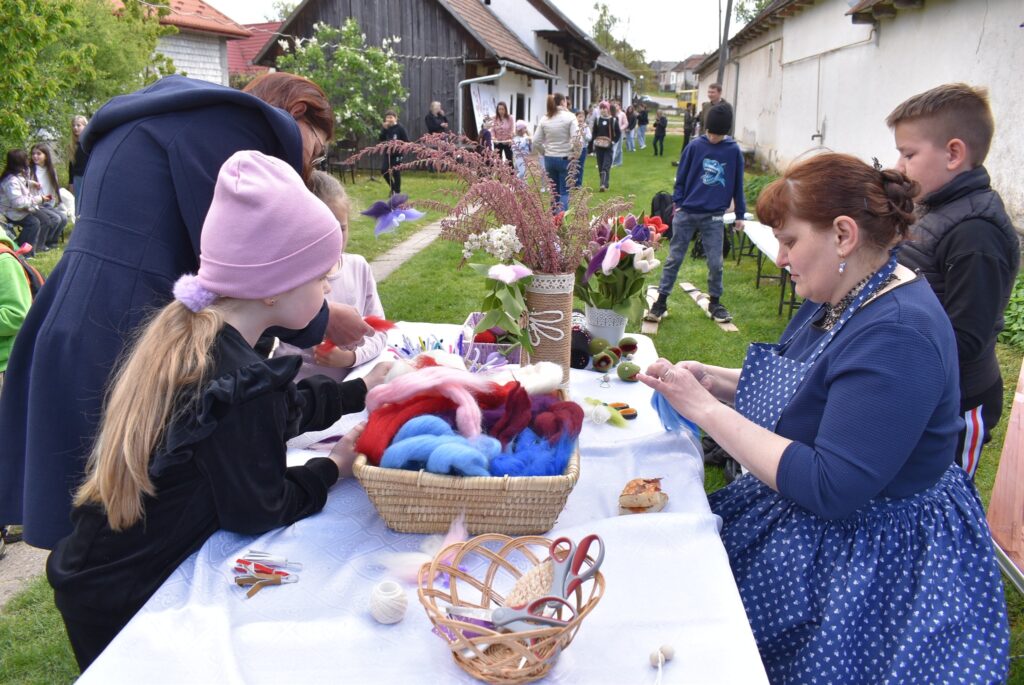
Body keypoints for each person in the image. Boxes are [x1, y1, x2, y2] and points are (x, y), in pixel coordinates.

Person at [638, 152, 1010, 684]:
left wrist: (705, 410)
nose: (782, 257)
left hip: (875, 551)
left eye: (790, 241)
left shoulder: (898, 334)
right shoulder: (851, 286)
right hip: (826, 518)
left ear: (843, 234)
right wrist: (716, 379)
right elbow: (822, 387)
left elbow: (831, 484)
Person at [45, 150, 391, 671]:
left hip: (95, 571)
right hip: (130, 601)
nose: (328, 288)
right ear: (274, 286)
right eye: (322, 275)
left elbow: (275, 413)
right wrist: (336, 466)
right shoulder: (239, 377)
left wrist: (357, 392)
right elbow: (262, 509)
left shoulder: (202, 337)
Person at [0, 73, 374, 551]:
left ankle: (103, 585)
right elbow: (244, 268)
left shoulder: (176, 117)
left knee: (102, 516)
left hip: (83, 306)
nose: (308, 166)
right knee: (127, 520)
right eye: (315, 150)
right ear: (295, 114)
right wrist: (322, 317)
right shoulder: (232, 135)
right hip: (121, 320)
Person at [888, 83, 1020, 478]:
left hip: (960, 401)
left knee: (946, 500)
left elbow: (966, 338)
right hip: (921, 385)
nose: (898, 165)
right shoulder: (935, 207)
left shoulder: (976, 233)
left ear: (953, 154)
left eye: (908, 154)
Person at [274, 171, 387, 381]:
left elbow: (379, 331)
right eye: (323, 230)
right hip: (298, 392)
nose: (334, 239)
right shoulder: (290, 277)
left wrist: (351, 357)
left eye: (341, 229)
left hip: (348, 391)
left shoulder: (358, 267)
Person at [647, 104, 744, 324]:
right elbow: (680, 178)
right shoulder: (694, 146)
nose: (713, 137)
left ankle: (715, 303)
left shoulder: (733, 150)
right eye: (710, 132)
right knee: (674, 258)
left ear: (726, 132)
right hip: (687, 212)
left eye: (717, 135)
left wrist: (740, 213)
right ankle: (660, 302)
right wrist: (679, 204)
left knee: (715, 262)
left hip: (714, 216)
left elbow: (738, 184)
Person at [0, 150, 60, 257]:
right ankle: (21, 250)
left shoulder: (17, 173)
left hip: (22, 209)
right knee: (34, 223)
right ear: (20, 161)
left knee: (44, 219)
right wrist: (40, 198)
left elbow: (22, 182)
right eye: (26, 158)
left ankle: (33, 248)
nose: (29, 160)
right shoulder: (10, 180)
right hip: (10, 212)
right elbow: (18, 203)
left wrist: (31, 184)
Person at [532, 93, 579, 213]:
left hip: (549, 158)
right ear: (563, 102)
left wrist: (544, 152)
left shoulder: (545, 118)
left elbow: (536, 141)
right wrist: (574, 153)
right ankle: (561, 220)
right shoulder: (570, 117)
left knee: (554, 191)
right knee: (564, 191)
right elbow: (577, 140)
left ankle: (553, 220)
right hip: (565, 158)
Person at [29, 143, 69, 246]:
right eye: (33, 154)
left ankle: (52, 241)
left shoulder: (51, 170)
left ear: (46, 156)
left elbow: (53, 190)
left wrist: (55, 202)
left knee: (63, 218)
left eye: (39, 154)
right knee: (56, 219)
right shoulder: (29, 170)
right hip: (35, 203)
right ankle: (44, 242)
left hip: (47, 203)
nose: (35, 156)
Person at [590, 101, 620, 192]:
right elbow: (594, 132)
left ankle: (603, 184)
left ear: (608, 109)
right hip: (599, 147)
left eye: (604, 108)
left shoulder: (613, 120)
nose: (603, 110)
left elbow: (618, 133)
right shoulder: (598, 120)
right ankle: (604, 184)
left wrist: (613, 142)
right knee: (600, 165)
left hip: (608, 147)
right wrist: (595, 140)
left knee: (605, 166)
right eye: (601, 108)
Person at [378, 110, 409, 195]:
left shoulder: (400, 128)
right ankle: (393, 188)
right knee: (384, 171)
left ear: (395, 118)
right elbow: (381, 139)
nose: (389, 119)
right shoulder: (386, 128)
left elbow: (406, 141)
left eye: (391, 117)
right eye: (387, 117)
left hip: (397, 154)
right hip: (387, 154)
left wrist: (400, 148)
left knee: (396, 172)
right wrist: (384, 129)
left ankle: (397, 192)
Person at [68, 115, 89, 200]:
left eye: (78, 125)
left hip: (89, 177)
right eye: (73, 125)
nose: (75, 128)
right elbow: (71, 166)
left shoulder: (90, 143)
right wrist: (71, 183)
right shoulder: (72, 146)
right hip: (77, 179)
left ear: (85, 126)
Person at [574, 110, 592, 189]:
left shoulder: (586, 127)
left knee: (580, 166)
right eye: (579, 117)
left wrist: (584, 134)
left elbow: (589, 138)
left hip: (583, 148)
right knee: (573, 166)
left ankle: (578, 184)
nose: (580, 119)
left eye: (582, 117)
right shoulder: (573, 126)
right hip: (574, 149)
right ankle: (572, 182)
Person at [612, 103, 627, 167]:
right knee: (613, 147)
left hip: (619, 132)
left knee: (619, 147)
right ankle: (613, 161)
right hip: (612, 132)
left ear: (619, 106)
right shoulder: (612, 113)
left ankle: (618, 162)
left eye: (616, 106)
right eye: (614, 106)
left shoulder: (622, 114)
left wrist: (620, 129)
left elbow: (626, 123)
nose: (615, 107)